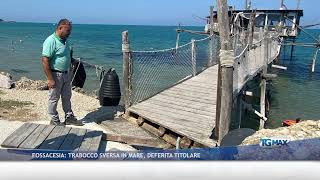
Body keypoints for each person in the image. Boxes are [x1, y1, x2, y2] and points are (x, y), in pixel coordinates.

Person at [41, 19, 83, 126]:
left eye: (70, 31)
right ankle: (54, 119)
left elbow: (66, 53)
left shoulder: (65, 40)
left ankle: (69, 116)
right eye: (68, 31)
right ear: (60, 28)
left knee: (66, 96)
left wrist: (72, 60)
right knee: (54, 98)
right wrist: (50, 79)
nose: (69, 33)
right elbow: (44, 60)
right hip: (55, 74)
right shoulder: (51, 41)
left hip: (66, 73)